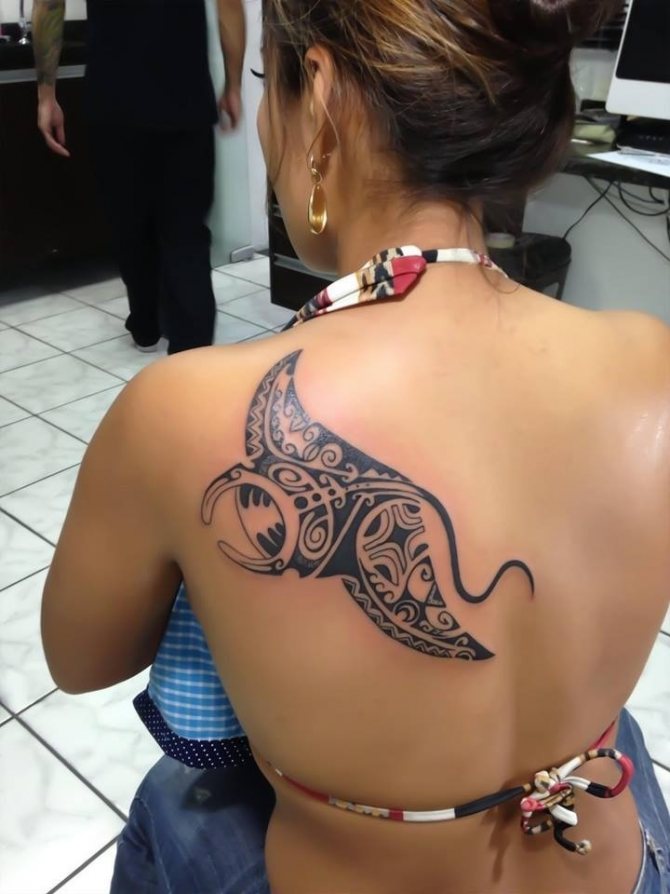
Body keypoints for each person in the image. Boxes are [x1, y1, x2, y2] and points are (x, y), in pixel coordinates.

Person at [41, 0, 670, 891]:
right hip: (619, 865)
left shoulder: (184, 408)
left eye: (268, 83)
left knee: (170, 799)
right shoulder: (652, 361)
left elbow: (80, 661)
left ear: (322, 95)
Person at [33, 0, 246, 354]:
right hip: (185, 98)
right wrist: (233, 84)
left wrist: (46, 95)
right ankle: (191, 351)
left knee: (128, 226)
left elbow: (49, 5)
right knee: (186, 234)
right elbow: (230, 5)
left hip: (114, 101)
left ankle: (146, 323)